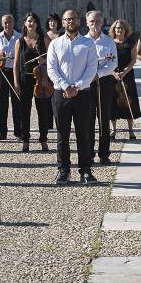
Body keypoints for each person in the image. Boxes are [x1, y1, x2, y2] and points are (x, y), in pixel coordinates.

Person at [47, 10, 99, 185]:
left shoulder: (88, 44)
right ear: (62, 22)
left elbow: (92, 69)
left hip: (82, 93)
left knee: (83, 133)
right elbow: (51, 69)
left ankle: (85, 170)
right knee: (62, 134)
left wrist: (76, 87)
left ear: (79, 21)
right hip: (61, 94)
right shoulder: (55, 44)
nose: (70, 22)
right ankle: (63, 170)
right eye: (67, 19)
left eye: (73, 19)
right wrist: (66, 86)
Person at [13, 12, 53, 152]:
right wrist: (16, 82)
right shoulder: (20, 41)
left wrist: (45, 61)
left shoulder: (44, 39)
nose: (31, 23)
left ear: (37, 24)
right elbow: (16, 64)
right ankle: (25, 139)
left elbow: (52, 60)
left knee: (43, 110)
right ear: (25, 23)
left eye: (34, 21)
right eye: (29, 21)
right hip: (25, 78)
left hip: (41, 78)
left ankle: (43, 139)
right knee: (24, 111)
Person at [85, 10, 118, 165]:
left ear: (102, 22)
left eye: (98, 21)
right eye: (92, 21)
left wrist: (100, 73)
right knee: (88, 118)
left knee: (104, 118)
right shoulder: (82, 41)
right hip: (86, 83)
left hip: (104, 82)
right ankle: (89, 152)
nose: (95, 24)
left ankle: (104, 153)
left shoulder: (109, 41)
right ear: (87, 23)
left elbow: (113, 63)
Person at [0, 15, 22, 141]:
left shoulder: (20, 37)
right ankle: (2, 132)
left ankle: (19, 132)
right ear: (2, 24)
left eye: (10, 22)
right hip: (1, 72)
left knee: (17, 102)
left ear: (13, 22)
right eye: (5, 22)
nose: (7, 24)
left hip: (15, 72)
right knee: (1, 103)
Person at [109, 18, 140, 140]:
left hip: (127, 75)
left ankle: (131, 130)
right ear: (114, 30)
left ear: (125, 29)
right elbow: (108, 60)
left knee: (129, 102)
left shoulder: (131, 42)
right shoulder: (110, 43)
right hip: (114, 75)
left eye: (121, 28)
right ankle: (113, 129)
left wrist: (125, 72)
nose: (119, 30)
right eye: (117, 28)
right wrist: (113, 73)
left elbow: (133, 59)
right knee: (113, 102)